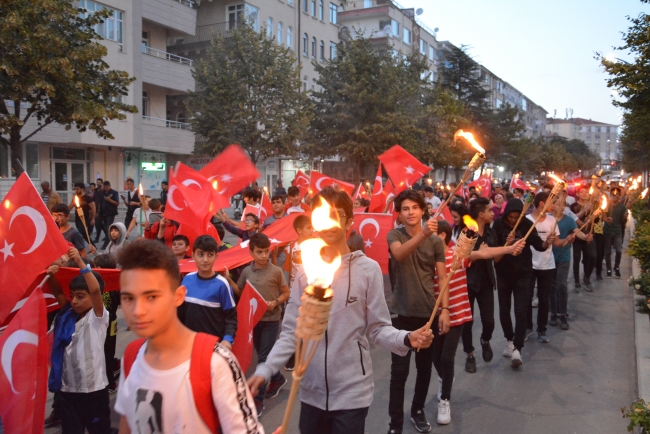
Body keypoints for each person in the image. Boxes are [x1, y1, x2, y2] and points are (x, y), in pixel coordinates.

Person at [247, 187, 434, 434]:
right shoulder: (306, 272)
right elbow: (292, 330)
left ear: (349, 221)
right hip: (311, 391)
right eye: (322, 216)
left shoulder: (367, 270)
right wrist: (265, 369)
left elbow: (378, 328)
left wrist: (407, 338)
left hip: (352, 394)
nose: (329, 223)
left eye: (336, 215)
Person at [115, 240, 262, 433]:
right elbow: (127, 424)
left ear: (178, 296)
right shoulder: (132, 356)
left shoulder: (218, 364)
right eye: (128, 298)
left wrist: (228, 339)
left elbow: (231, 318)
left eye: (151, 296)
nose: (138, 310)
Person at [385, 189, 447, 434]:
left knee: (424, 369)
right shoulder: (394, 235)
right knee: (398, 373)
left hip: (428, 314)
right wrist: (423, 234)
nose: (410, 213)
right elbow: (399, 254)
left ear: (424, 210)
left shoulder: (435, 241)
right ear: (399, 214)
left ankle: (417, 411)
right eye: (405, 209)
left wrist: (445, 310)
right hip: (402, 314)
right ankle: (395, 424)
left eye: (414, 208)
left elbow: (442, 277)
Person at [48, 247, 111, 433]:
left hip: (93, 391)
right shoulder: (68, 315)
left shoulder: (98, 317)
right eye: (72, 296)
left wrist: (80, 262)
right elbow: (58, 293)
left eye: (80, 297)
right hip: (67, 391)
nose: (74, 301)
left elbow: (94, 288)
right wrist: (52, 272)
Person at [226, 233, 290, 417]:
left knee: (263, 359)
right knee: (265, 357)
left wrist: (276, 302)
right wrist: (229, 280)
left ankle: (258, 400)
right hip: (254, 321)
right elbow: (240, 290)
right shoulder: (247, 271)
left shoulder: (276, 272)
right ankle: (277, 378)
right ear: (251, 252)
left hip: (271, 321)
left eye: (266, 252)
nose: (263, 256)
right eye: (259, 252)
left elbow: (286, 293)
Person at [461, 198, 525, 374]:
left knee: (489, 321)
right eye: (489, 210)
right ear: (481, 214)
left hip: (487, 281)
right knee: (467, 321)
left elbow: (496, 258)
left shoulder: (491, 233)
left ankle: (485, 339)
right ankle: (470, 354)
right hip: (467, 281)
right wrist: (481, 254)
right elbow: (463, 257)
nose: (492, 213)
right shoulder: (467, 233)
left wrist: (508, 247)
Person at [493, 198, 548, 367]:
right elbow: (494, 253)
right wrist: (507, 243)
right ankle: (509, 340)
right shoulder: (498, 225)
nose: (513, 220)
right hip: (503, 274)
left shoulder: (527, 225)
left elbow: (539, 245)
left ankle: (518, 348)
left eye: (517, 217)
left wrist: (547, 242)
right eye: (511, 217)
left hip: (523, 274)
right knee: (504, 310)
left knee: (521, 311)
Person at [431, 221, 472, 425]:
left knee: (447, 358)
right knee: (435, 356)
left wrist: (509, 248)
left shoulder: (458, 255)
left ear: (444, 235)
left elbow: (481, 254)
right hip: (434, 316)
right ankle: (444, 378)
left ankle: (444, 399)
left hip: (457, 314)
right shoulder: (427, 259)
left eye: (433, 235)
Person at [178, 235, 237, 348]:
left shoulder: (222, 284)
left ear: (216, 256)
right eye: (200, 254)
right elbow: (180, 313)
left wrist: (227, 339)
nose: (205, 260)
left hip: (213, 346)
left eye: (210, 255)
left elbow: (231, 318)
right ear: (193, 256)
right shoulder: (187, 280)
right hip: (188, 344)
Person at [526, 192, 563, 344]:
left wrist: (567, 240)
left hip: (547, 265)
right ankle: (527, 328)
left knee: (544, 299)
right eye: (551, 202)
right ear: (542, 203)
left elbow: (557, 242)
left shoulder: (552, 220)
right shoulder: (527, 220)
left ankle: (542, 329)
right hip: (529, 265)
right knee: (526, 298)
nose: (553, 206)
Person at [551, 196, 591, 330]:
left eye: (563, 205)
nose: (561, 207)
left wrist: (585, 237)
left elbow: (576, 232)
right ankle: (553, 313)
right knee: (552, 286)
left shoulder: (568, 220)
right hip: (548, 258)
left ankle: (563, 314)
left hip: (563, 257)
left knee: (561, 285)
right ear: (552, 205)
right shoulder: (547, 219)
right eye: (558, 204)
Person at [94, 253, 121, 393]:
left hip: (110, 325)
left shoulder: (114, 286)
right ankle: (114, 367)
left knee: (107, 353)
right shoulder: (95, 285)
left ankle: (110, 383)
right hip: (99, 325)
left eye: (96, 267)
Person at [570, 186, 597, 290]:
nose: (584, 194)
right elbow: (573, 218)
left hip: (589, 234)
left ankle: (587, 277)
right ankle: (577, 281)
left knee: (592, 256)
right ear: (577, 194)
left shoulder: (593, 205)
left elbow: (597, 219)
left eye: (586, 192)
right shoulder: (573, 206)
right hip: (577, 234)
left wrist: (594, 213)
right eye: (581, 192)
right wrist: (584, 210)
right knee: (576, 258)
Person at [604, 186, 627, 278]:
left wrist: (625, 216)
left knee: (618, 250)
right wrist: (606, 219)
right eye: (613, 194)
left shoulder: (622, 206)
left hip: (617, 231)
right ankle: (609, 269)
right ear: (610, 194)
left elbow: (622, 221)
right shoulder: (606, 205)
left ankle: (616, 267)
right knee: (608, 252)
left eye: (617, 194)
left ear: (619, 195)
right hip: (607, 231)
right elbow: (603, 217)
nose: (615, 196)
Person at [99, 181, 120, 250]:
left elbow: (117, 203)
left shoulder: (114, 193)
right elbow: (100, 203)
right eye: (104, 187)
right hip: (103, 213)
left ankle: (106, 244)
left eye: (107, 187)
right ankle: (109, 239)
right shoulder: (102, 193)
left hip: (111, 213)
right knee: (105, 227)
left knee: (108, 227)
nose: (106, 188)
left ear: (110, 186)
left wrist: (109, 199)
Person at [93, 179, 105, 245]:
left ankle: (97, 238)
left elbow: (100, 202)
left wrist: (98, 211)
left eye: (100, 182)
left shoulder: (102, 191)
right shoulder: (96, 191)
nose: (98, 183)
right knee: (100, 225)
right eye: (97, 182)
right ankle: (107, 235)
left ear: (102, 183)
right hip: (95, 208)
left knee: (98, 224)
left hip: (100, 210)